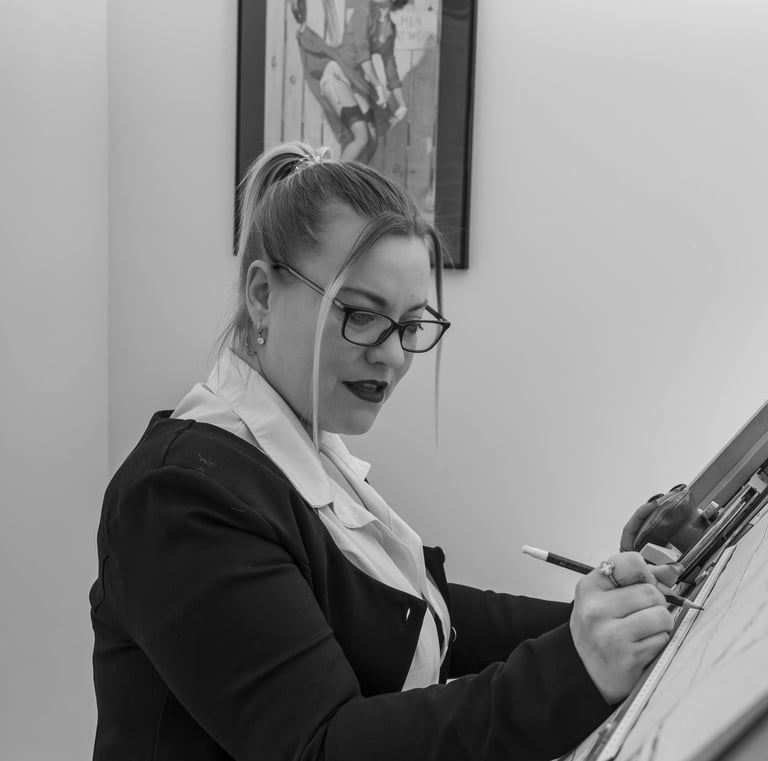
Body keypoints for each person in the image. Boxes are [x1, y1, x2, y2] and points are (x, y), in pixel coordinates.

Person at [89, 141, 682, 761]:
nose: (393, 356)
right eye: (363, 316)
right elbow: (320, 747)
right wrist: (576, 668)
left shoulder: (302, 455)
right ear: (263, 294)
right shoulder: (183, 494)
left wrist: (610, 616)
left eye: (409, 325)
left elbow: (424, 616)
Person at [292, 0, 409, 162]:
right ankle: (335, 183)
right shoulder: (364, 10)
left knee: (372, 139)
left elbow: (390, 67)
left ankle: (355, 185)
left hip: (356, 83)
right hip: (338, 73)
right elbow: (363, 56)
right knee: (361, 136)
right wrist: (377, 86)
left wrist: (402, 105)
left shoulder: (390, 29)